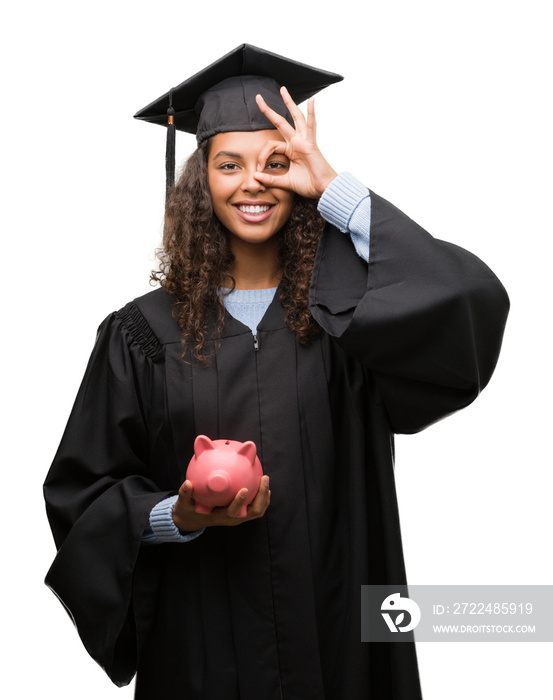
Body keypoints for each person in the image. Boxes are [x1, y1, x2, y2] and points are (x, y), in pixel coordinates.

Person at [44, 44, 509, 700]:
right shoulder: (142, 333)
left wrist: (336, 190)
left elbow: (461, 303)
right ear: (201, 181)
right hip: (201, 651)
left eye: (277, 163)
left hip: (340, 637)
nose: (252, 183)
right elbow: (84, 494)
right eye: (229, 164)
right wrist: (177, 514)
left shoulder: (351, 323)